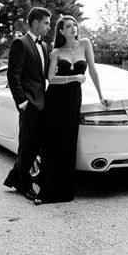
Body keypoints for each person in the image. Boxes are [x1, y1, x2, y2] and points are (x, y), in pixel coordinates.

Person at [35, 15, 112, 205]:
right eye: (68, 26)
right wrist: (74, 78)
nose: (73, 28)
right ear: (61, 31)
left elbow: (92, 70)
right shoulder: (56, 52)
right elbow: (51, 79)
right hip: (55, 99)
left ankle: (64, 191)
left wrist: (101, 95)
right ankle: (47, 192)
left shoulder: (85, 44)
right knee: (52, 143)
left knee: (68, 142)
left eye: (74, 25)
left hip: (73, 100)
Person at [3, 6, 51, 201]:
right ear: (35, 23)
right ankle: (24, 184)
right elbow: (13, 75)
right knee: (27, 144)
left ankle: (14, 178)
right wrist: (22, 102)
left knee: (35, 144)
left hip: (42, 102)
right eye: (46, 23)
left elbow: (43, 76)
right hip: (29, 104)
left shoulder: (45, 46)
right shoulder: (20, 44)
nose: (49, 27)